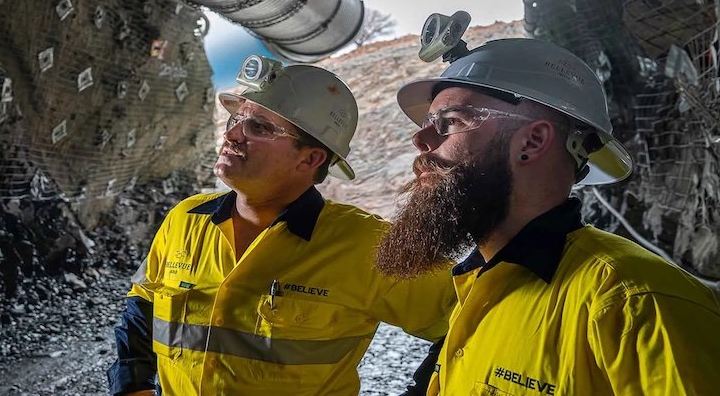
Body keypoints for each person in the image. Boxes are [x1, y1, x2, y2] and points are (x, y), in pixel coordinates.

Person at [376, 37, 720, 395]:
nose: (421, 140)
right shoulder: (478, 280)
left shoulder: (636, 302)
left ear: (533, 141)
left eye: (451, 121)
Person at [108, 55, 455, 396]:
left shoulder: (368, 244)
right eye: (236, 120)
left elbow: (467, 317)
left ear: (311, 158)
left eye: (259, 127)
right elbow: (143, 304)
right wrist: (132, 387)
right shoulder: (185, 219)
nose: (232, 136)